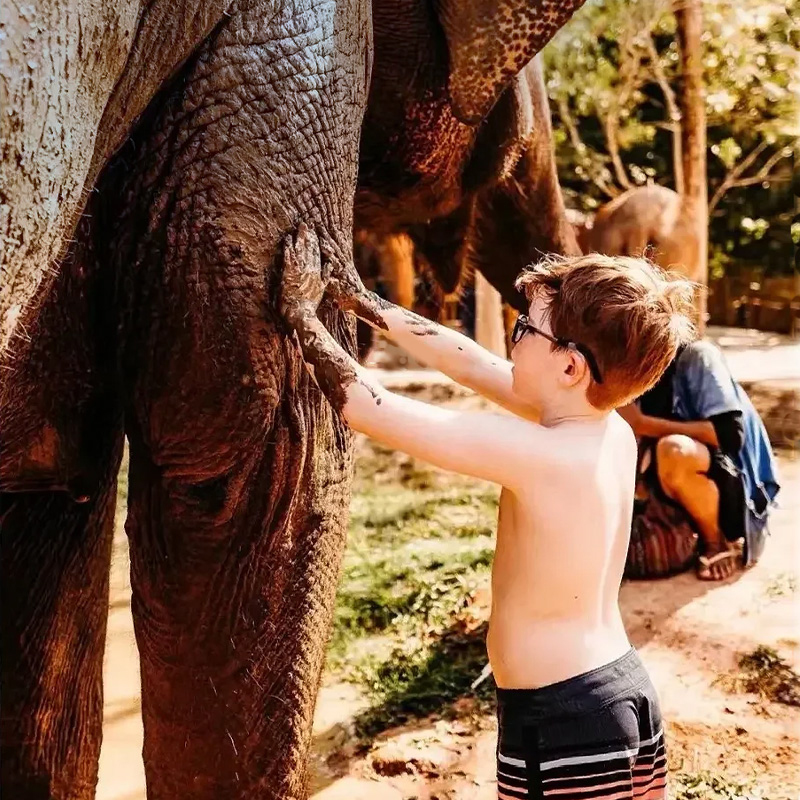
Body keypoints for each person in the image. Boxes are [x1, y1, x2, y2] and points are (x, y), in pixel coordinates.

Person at [280, 225, 695, 800]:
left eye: (526, 327)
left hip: (565, 722)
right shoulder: (605, 430)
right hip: (616, 695)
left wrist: (301, 314)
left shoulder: (544, 455)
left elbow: (373, 409)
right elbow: (470, 363)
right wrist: (357, 298)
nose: (512, 336)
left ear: (570, 367)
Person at [619, 340, 780, 581]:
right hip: (672, 487)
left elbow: (729, 435)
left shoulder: (697, 357)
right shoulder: (630, 366)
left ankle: (716, 542)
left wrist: (642, 424)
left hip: (732, 487)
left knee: (673, 450)